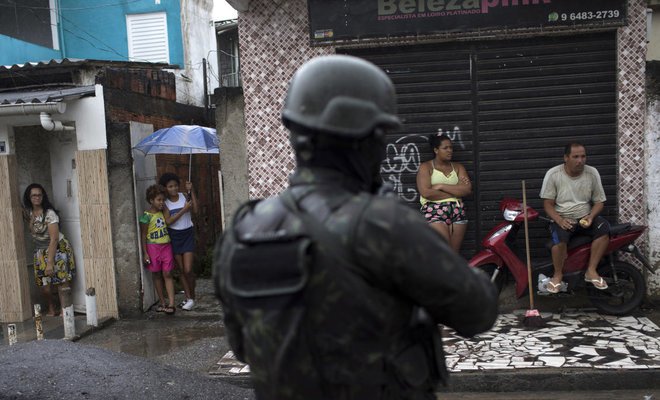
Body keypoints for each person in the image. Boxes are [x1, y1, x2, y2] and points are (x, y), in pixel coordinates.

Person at [214, 55, 498, 399]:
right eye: (381, 136)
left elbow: (245, 347)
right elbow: (477, 311)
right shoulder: (383, 225)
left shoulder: (244, 230)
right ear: (366, 141)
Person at [540, 142, 610, 293]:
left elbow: (599, 202)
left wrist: (591, 216)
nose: (580, 161)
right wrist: (559, 220)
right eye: (576, 157)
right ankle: (558, 275)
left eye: (583, 156)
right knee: (559, 240)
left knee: (604, 228)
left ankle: (591, 271)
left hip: (585, 217)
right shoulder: (553, 174)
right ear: (566, 158)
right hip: (563, 218)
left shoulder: (592, 173)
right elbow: (548, 204)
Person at [22, 183, 76, 317]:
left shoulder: (49, 214)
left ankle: (66, 310)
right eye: (33, 195)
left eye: (39, 195)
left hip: (58, 248)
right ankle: (52, 309)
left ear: (43, 196)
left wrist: (50, 262)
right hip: (40, 251)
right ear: (29, 197)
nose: (37, 197)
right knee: (44, 285)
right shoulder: (28, 212)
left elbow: (54, 239)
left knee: (61, 281)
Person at [416, 133, 472, 252]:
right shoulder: (426, 167)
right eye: (445, 148)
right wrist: (456, 192)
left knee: (453, 255)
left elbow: (466, 190)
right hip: (434, 210)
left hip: (457, 211)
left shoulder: (458, 167)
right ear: (436, 150)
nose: (450, 151)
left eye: (451, 147)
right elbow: (426, 193)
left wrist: (441, 186)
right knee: (443, 251)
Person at [159, 173, 198, 311]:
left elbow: (196, 209)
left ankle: (192, 295)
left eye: (175, 185)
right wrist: (183, 210)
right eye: (170, 186)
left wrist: (191, 190)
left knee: (188, 269)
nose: (174, 188)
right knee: (181, 270)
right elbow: (168, 222)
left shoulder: (184, 196)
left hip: (187, 234)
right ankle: (189, 298)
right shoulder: (165, 203)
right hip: (174, 236)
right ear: (165, 188)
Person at [139, 184, 176, 315]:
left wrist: (162, 204)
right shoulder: (146, 216)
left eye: (163, 199)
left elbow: (167, 217)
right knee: (156, 274)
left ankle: (171, 304)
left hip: (166, 246)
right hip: (152, 247)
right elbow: (143, 235)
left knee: (167, 273)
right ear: (151, 201)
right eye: (159, 200)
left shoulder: (163, 211)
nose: (162, 202)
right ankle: (162, 302)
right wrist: (145, 253)